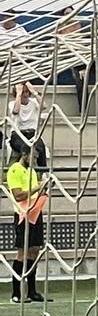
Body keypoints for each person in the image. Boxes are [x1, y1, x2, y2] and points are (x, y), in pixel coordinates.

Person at [8, 143, 50, 303]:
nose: (36, 158)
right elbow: (18, 195)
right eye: (33, 155)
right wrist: (38, 187)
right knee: (22, 252)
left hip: (35, 213)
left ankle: (32, 291)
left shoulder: (31, 171)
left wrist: (44, 188)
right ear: (24, 154)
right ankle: (16, 293)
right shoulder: (14, 170)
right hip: (22, 215)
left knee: (35, 250)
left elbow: (34, 192)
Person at [7, 83, 47, 169]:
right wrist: (18, 93)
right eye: (23, 92)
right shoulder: (12, 104)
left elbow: (44, 106)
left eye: (27, 92)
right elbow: (16, 111)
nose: (25, 94)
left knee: (40, 146)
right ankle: (24, 171)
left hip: (32, 133)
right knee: (25, 147)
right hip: (17, 134)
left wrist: (34, 91)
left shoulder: (34, 102)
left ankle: (44, 173)